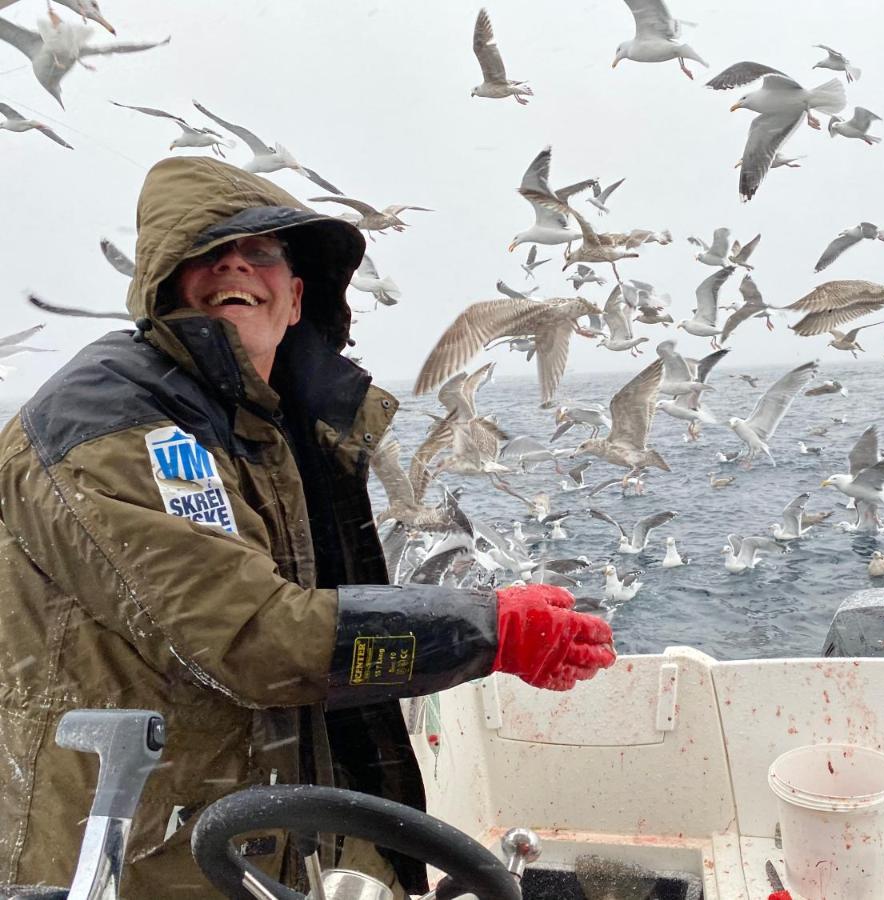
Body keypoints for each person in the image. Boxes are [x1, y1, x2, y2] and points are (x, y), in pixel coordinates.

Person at [0, 157, 616, 898]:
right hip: (128, 851)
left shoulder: (269, 423)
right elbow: (252, 637)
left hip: (232, 818)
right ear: (165, 287)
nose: (235, 264)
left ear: (295, 298)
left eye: (261, 251)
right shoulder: (111, 423)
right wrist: (491, 630)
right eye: (206, 252)